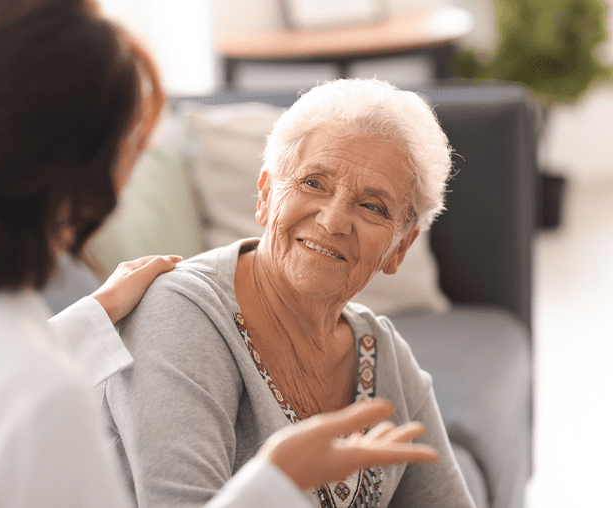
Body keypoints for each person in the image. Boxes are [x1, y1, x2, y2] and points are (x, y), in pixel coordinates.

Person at [0, 1, 439, 507]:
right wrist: (274, 480)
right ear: (95, 178)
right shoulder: (41, 399)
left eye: (373, 206)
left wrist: (88, 321)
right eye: (134, 142)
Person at [102, 78, 477, 508]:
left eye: (372, 206)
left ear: (400, 249)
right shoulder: (179, 315)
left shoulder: (384, 355)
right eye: (314, 183)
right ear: (265, 194)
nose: (334, 221)